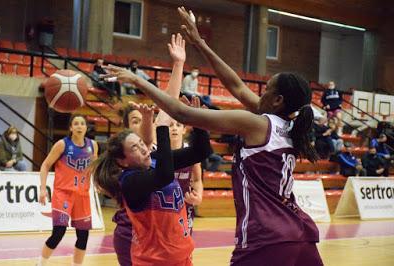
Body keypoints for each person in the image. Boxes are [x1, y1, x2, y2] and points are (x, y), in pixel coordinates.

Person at [102, 9, 323, 264]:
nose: (258, 94)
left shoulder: (256, 124)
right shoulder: (291, 126)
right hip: (300, 232)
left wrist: (137, 81)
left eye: (265, 90)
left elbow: (180, 112)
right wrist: (199, 43)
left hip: (267, 236)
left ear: (277, 100)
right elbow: (237, 86)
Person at [92, 105, 212, 265]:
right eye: (134, 147)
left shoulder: (154, 160)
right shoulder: (129, 182)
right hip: (153, 260)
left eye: (141, 143)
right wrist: (162, 127)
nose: (142, 148)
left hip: (181, 256)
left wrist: (197, 122)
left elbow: (201, 152)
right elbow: (164, 175)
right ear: (122, 161)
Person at [37, 114, 98, 266]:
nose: (79, 126)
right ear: (71, 127)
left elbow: (94, 167)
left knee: (83, 235)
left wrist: (98, 183)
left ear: (86, 127)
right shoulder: (62, 145)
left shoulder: (93, 145)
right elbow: (45, 165)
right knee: (59, 232)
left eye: (82, 123)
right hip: (63, 194)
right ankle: (41, 263)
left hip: (82, 196)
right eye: (76, 123)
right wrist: (42, 188)